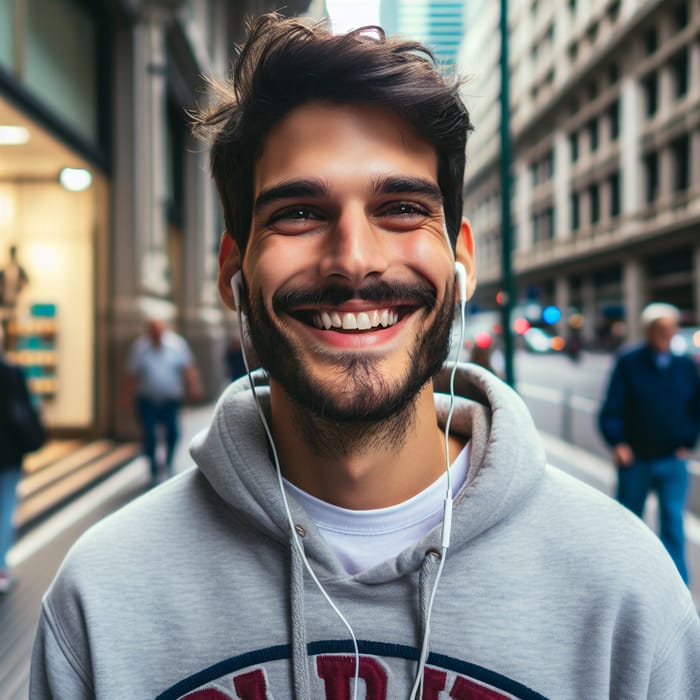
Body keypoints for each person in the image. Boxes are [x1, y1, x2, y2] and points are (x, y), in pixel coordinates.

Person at [31, 15, 700, 699]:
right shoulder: (100, 599)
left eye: (403, 207)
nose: (354, 260)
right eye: (297, 213)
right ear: (233, 265)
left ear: (461, 255)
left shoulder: (626, 594)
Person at [599, 302, 700, 583]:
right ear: (648, 330)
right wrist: (617, 443)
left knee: (673, 525)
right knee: (628, 525)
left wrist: (688, 440)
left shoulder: (683, 365)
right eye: (660, 328)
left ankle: (677, 588)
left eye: (671, 328)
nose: (666, 334)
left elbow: (695, 406)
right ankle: (624, 582)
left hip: (672, 459)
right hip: (636, 460)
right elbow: (612, 406)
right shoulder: (629, 362)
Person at [120, 316, 203, 484]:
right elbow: (131, 375)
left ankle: (168, 463)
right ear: (148, 332)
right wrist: (127, 396)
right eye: (152, 331)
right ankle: (153, 465)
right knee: (149, 433)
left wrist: (194, 386)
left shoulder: (177, 345)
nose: (155, 334)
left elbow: (188, 368)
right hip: (147, 399)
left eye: (158, 330)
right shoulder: (140, 348)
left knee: (173, 432)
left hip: (170, 399)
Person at [0, 324, 36, 592]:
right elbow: (24, 412)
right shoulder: (12, 371)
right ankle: (0, 569)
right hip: (9, 451)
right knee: (5, 506)